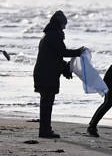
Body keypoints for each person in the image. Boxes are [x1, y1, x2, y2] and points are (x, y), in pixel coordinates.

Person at [33, 10, 85, 138]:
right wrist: (78, 52)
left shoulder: (48, 35)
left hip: (44, 73)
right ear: (59, 24)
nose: (65, 27)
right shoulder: (54, 35)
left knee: (46, 103)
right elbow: (62, 52)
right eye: (64, 24)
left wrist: (63, 67)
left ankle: (45, 129)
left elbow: (53, 55)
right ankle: (45, 131)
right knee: (47, 103)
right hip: (47, 74)